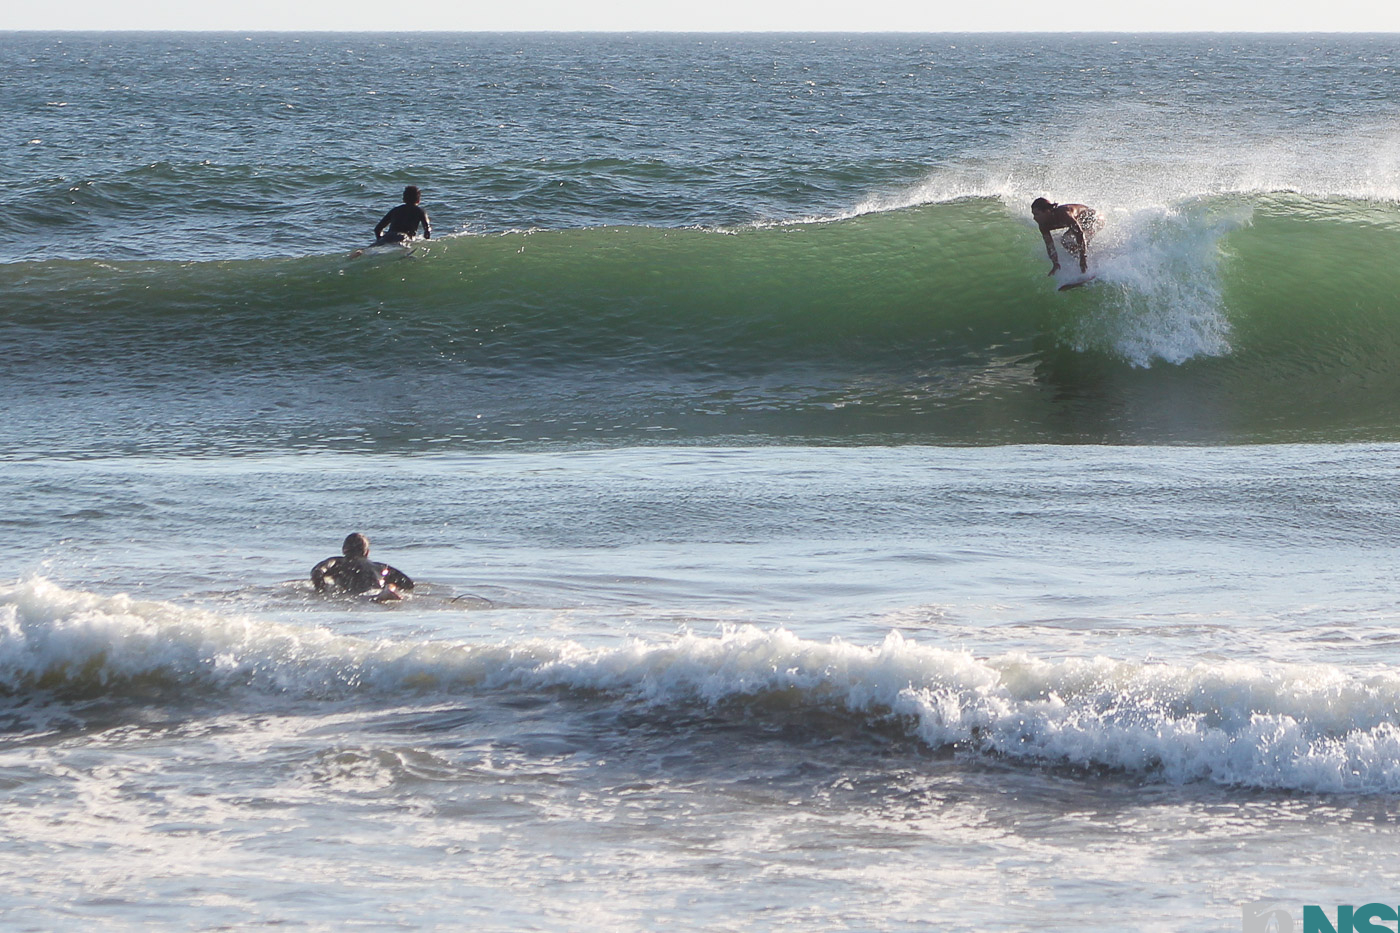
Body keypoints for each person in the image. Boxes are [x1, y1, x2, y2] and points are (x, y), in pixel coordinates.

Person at [311, 533, 414, 601]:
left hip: (358, 596)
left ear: (343, 550)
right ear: (367, 552)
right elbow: (408, 584)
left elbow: (317, 571)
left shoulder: (337, 562)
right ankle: (389, 590)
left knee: (365, 598)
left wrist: (322, 591)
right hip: (375, 590)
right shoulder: (381, 567)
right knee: (388, 585)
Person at [1031, 197, 1102, 276]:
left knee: (1071, 240)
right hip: (1084, 222)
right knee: (1066, 242)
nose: (1034, 218)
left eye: (1037, 214)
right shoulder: (1043, 225)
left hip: (1094, 218)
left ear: (1047, 211)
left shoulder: (1064, 214)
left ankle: (1087, 263)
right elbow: (1050, 245)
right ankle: (1087, 266)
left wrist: (1082, 257)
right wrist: (1055, 263)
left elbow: (1079, 233)